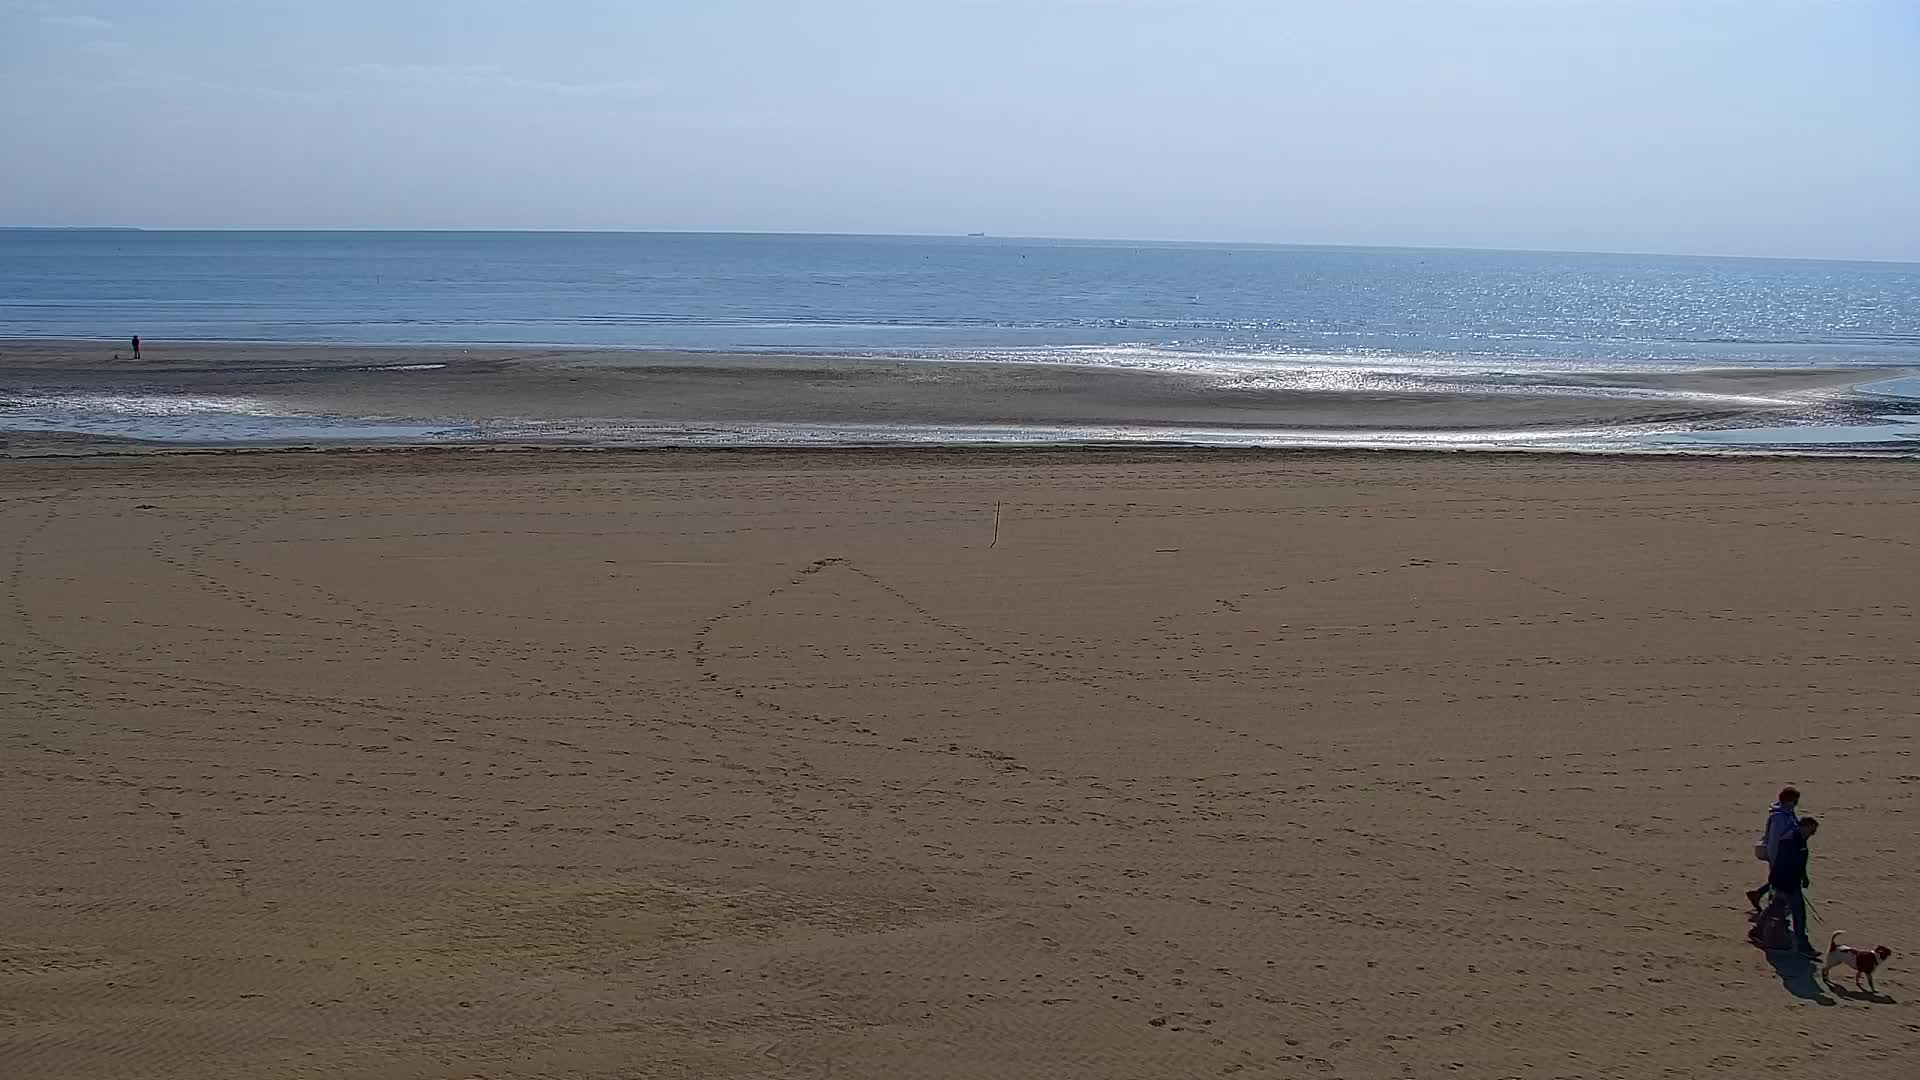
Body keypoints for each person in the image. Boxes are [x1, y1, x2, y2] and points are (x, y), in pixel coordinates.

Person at [1768, 816, 1820, 957]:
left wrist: (1804, 877)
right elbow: (1784, 865)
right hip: (1786, 883)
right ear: (1804, 827)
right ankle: (1802, 946)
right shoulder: (1789, 840)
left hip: (1789, 882)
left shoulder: (1801, 839)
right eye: (1812, 830)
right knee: (1798, 914)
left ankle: (1759, 932)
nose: (1813, 834)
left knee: (1777, 909)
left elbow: (1801, 863)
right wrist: (1791, 884)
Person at [1746, 786, 1801, 911]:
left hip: (1786, 854)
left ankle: (1759, 895)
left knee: (1780, 879)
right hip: (1778, 854)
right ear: (1788, 800)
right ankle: (1770, 904)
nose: (1796, 804)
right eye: (1795, 801)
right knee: (1779, 879)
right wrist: (1775, 859)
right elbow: (1774, 840)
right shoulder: (1779, 817)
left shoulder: (1788, 813)